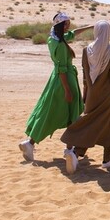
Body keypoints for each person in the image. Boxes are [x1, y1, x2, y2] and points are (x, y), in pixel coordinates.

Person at [18, 12, 92, 163]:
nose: (68, 27)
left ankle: (30, 143)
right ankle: (70, 149)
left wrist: (89, 27)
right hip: (64, 81)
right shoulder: (59, 44)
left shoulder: (55, 38)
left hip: (57, 80)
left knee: (49, 111)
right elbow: (61, 69)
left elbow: (72, 34)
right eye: (65, 24)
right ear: (59, 26)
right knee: (73, 113)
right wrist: (67, 90)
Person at [61, 20, 110, 174]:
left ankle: (76, 152)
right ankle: (107, 160)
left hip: (92, 94)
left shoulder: (86, 51)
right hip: (108, 96)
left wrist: (86, 95)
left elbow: (85, 76)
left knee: (91, 125)